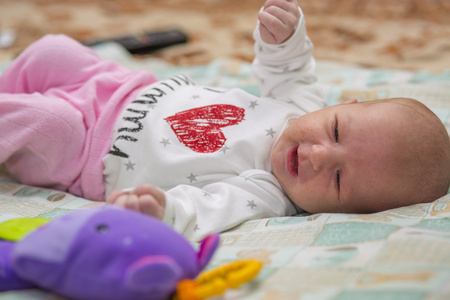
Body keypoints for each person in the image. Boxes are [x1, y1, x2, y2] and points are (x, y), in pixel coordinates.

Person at [0, 0, 449, 241]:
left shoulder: (265, 193)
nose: (316, 155)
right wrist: (287, 36)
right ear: (345, 105)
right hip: (119, 85)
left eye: (336, 180)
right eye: (335, 132)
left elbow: (202, 211)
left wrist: (161, 211)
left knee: (46, 121)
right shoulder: (300, 105)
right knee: (54, 48)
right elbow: (288, 69)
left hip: (82, 151)